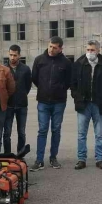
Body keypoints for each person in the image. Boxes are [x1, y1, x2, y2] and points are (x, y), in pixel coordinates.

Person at [70, 40, 102, 170]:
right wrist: (77, 97)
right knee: (81, 134)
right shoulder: (78, 64)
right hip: (83, 104)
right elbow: (73, 84)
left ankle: (99, 159)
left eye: (92, 50)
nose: (90, 52)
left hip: (99, 104)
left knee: (99, 134)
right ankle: (81, 159)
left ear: (98, 50)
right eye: (88, 50)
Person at [31, 36, 72, 170]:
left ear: (60, 48)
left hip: (59, 102)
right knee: (42, 130)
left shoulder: (66, 63)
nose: (51, 49)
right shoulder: (39, 60)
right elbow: (35, 78)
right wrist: (44, 89)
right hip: (43, 101)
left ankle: (53, 158)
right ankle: (39, 160)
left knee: (56, 130)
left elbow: (68, 82)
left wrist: (59, 89)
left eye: (55, 47)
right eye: (50, 46)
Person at [2, 45, 32, 154]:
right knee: (7, 133)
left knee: (21, 132)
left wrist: (22, 94)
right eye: (10, 55)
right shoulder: (3, 69)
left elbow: (28, 86)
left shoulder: (25, 69)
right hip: (8, 105)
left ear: (19, 55)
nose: (12, 57)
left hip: (22, 105)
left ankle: (20, 155)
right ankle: (7, 155)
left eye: (15, 55)